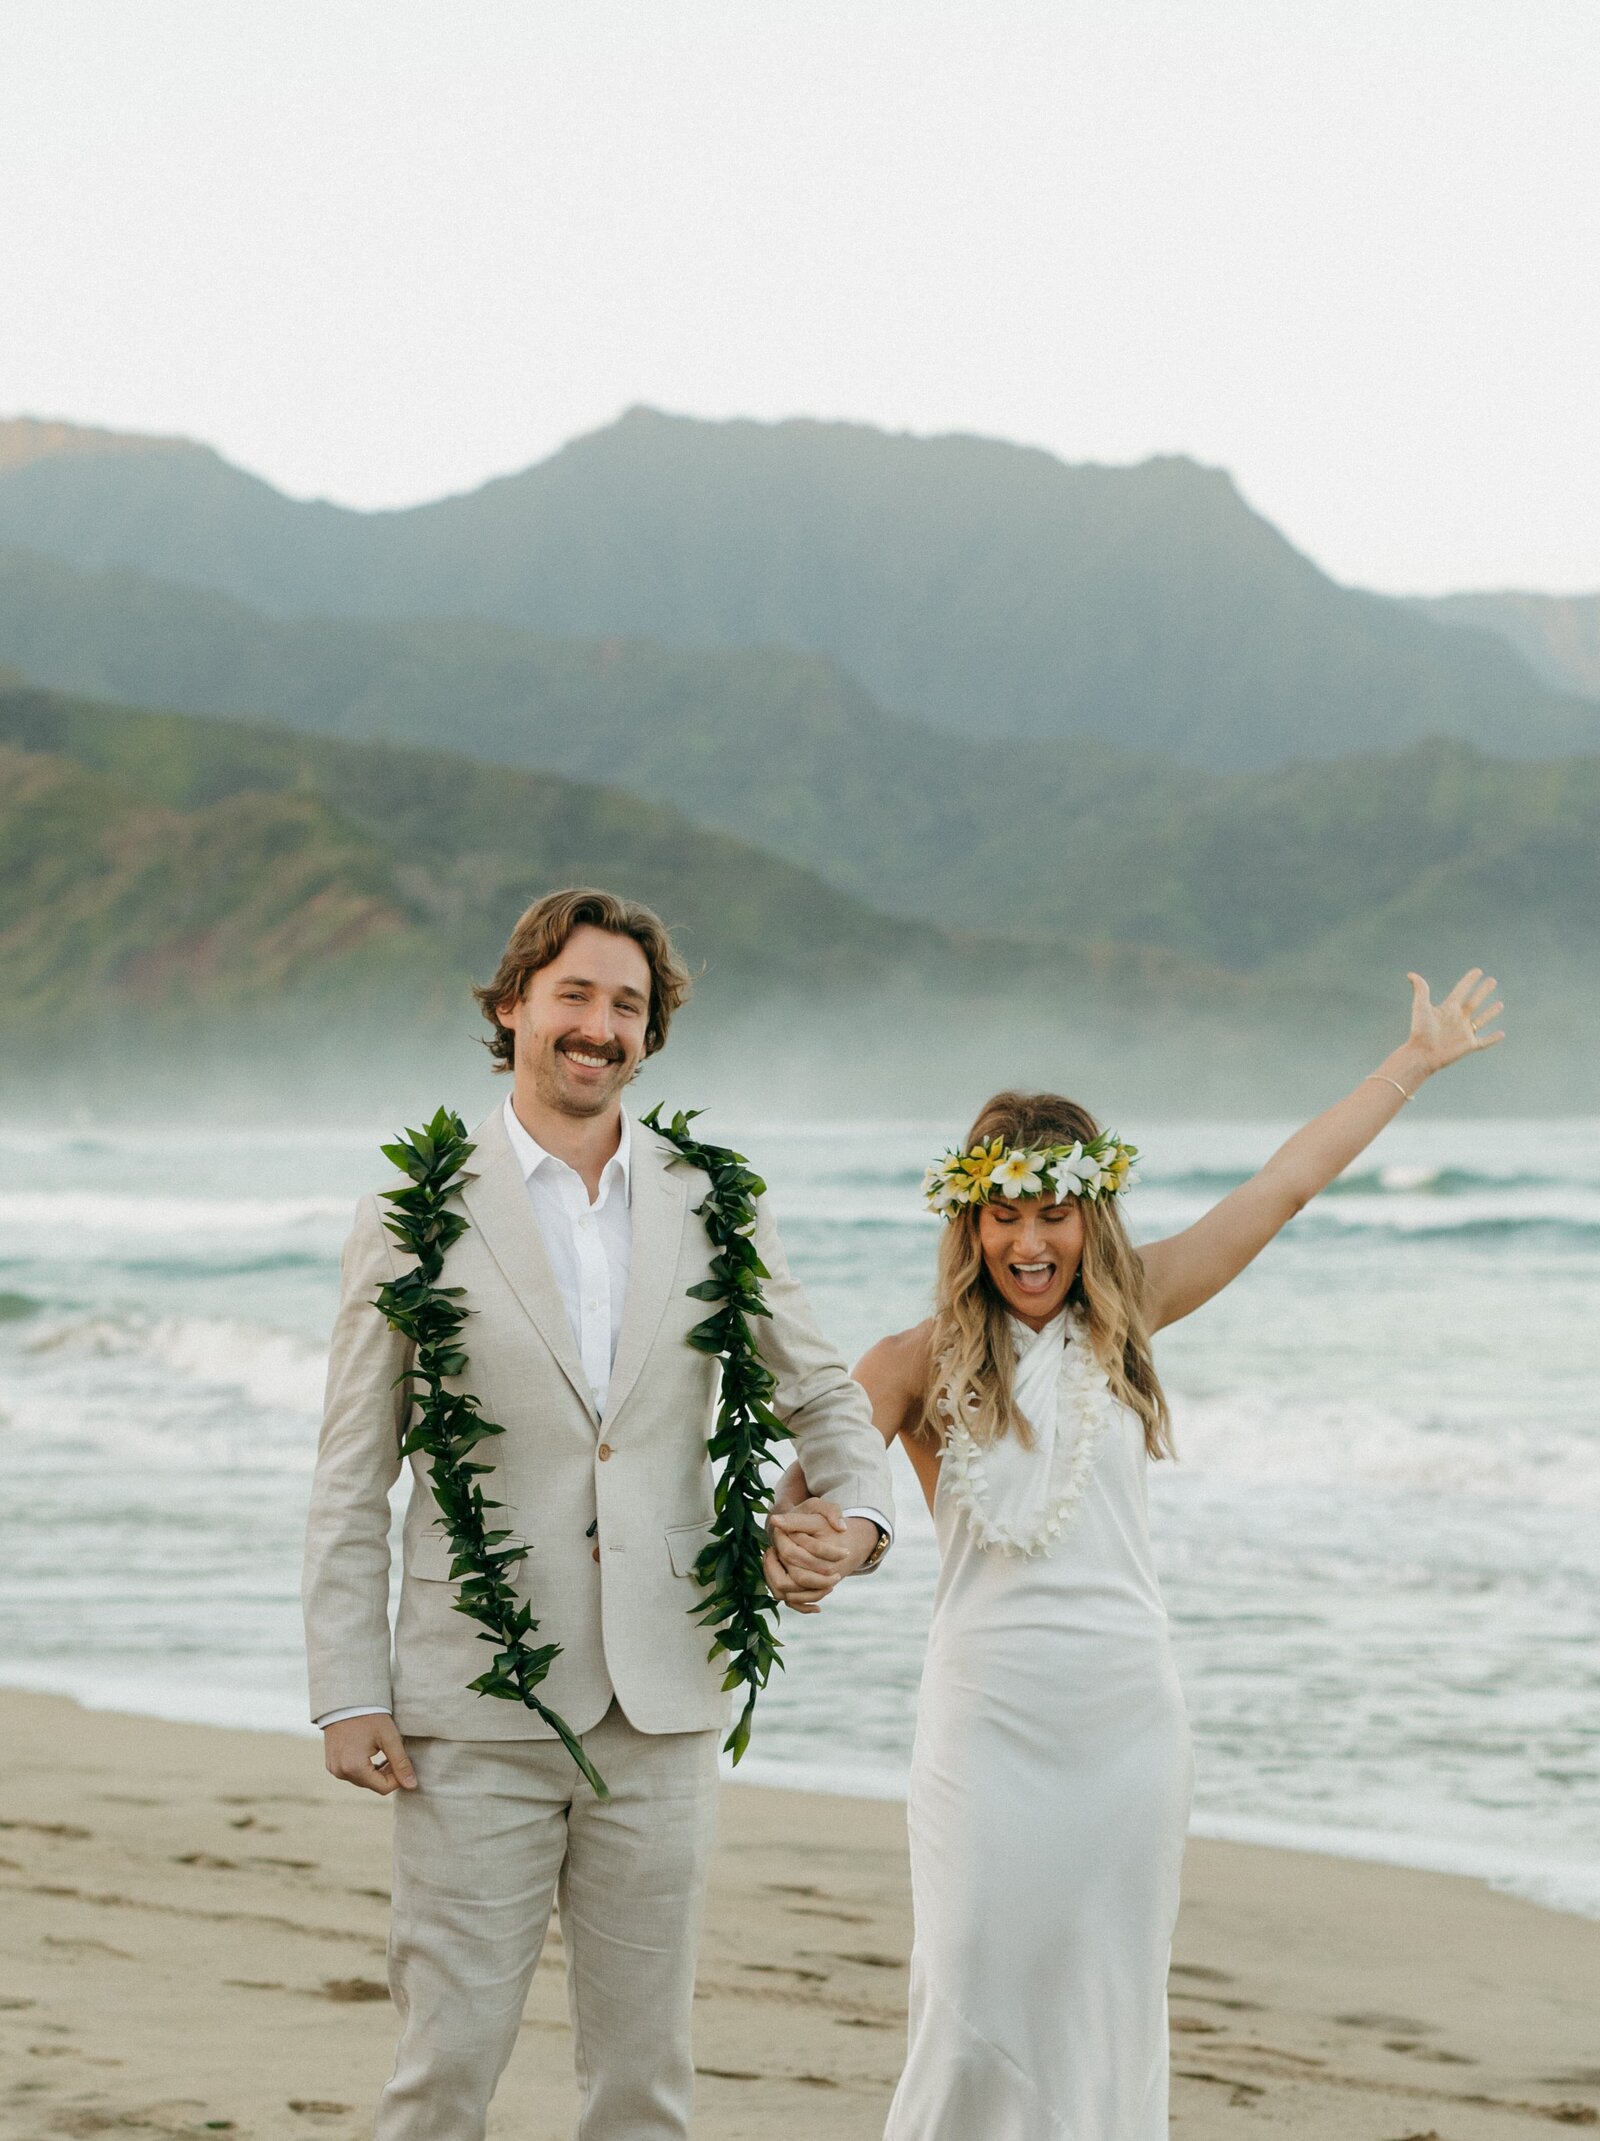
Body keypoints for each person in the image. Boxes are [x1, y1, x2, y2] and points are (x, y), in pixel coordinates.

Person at [765, 967, 1505, 2140]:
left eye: (1051, 1211)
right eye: (1001, 1211)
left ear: (1089, 1215)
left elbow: (1287, 1184)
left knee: (1107, 2000)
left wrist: (1408, 1064)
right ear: (968, 1219)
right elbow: (831, 1497)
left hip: (1124, 1722)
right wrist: (809, 1548)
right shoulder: (908, 1359)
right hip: (984, 1719)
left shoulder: (1135, 1309)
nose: (1027, 1237)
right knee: (967, 1990)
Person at [302, 885, 895, 2141]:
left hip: (666, 1696)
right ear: (513, 1005)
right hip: (471, 1706)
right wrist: (346, 1687)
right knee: (443, 2065)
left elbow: (828, 1395)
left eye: (628, 1003)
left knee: (644, 2078)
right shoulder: (409, 1215)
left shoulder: (714, 1198)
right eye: (574, 992)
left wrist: (855, 1524)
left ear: (649, 1034)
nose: (599, 1023)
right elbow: (354, 1474)